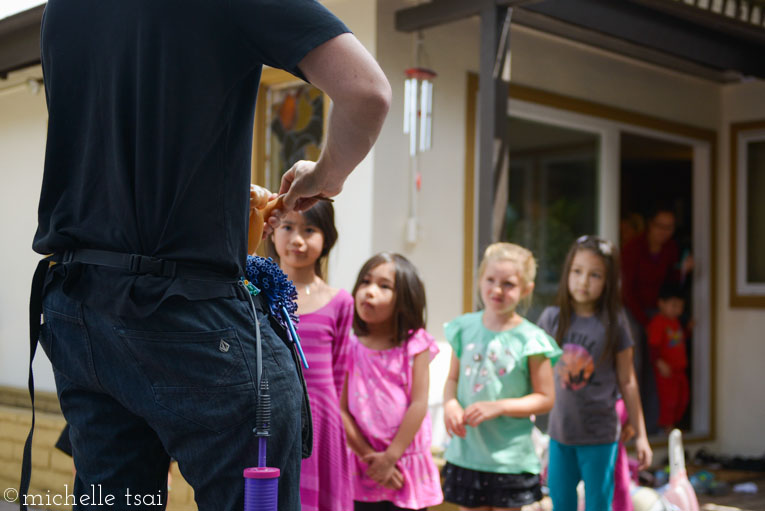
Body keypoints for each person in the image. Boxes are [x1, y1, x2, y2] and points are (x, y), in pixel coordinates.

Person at [30, 1, 391, 509]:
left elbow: (113, 152)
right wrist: (326, 175)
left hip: (76, 302)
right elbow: (367, 93)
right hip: (187, 317)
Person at [537, 235, 652, 511]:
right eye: (577, 271)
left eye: (595, 275)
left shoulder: (615, 323)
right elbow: (533, 370)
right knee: (561, 503)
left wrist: (642, 435)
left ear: (608, 281)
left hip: (600, 437)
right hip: (560, 434)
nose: (583, 281)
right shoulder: (551, 319)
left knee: (598, 504)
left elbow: (628, 380)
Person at [442, 243, 560, 511]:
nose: (497, 290)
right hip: (467, 455)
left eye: (508, 284)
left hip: (510, 460)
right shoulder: (463, 328)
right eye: (490, 280)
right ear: (480, 280)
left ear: (526, 290)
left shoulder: (532, 339)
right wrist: (450, 404)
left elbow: (545, 398)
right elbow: (452, 380)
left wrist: (498, 407)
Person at [267, 201, 354, 511]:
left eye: (310, 230)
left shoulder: (341, 301)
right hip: (269, 416)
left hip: (322, 423)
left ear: (327, 238)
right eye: (287, 227)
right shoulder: (256, 294)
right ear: (272, 231)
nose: (297, 240)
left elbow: (341, 375)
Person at [340, 253, 443, 510]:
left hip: (403, 464)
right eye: (365, 282)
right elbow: (340, 409)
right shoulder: (348, 345)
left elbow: (419, 404)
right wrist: (370, 458)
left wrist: (391, 458)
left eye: (384, 286)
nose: (369, 291)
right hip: (363, 466)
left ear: (405, 299)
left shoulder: (415, 344)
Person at [621, 206, 693, 328]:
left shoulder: (671, 248)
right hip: (632, 309)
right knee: (635, 342)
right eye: (660, 226)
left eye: (669, 227)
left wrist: (683, 271)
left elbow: (671, 281)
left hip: (659, 309)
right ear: (650, 224)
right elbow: (627, 289)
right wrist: (647, 323)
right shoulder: (633, 248)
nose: (664, 231)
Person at [647, 282, 690, 432]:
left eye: (680, 306)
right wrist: (659, 363)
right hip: (666, 372)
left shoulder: (676, 322)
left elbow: (679, 341)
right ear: (661, 304)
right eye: (673, 305)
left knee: (682, 399)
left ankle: (674, 427)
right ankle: (667, 429)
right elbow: (653, 347)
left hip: (679, 370)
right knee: (668, 402)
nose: (677, 310)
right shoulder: (658, 322)